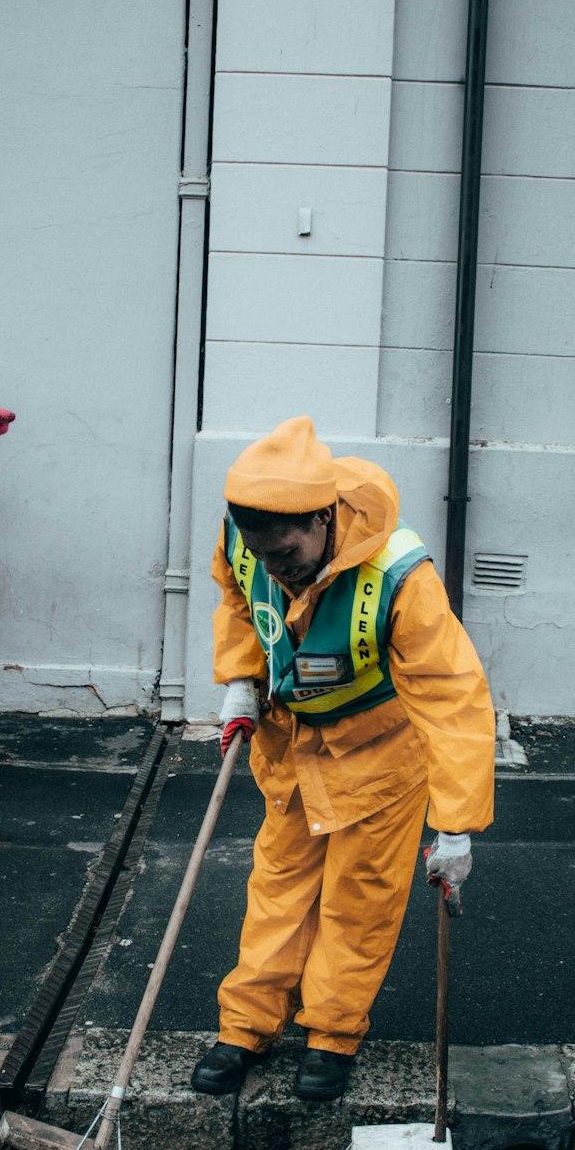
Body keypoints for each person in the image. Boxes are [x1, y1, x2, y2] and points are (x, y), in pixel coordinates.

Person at [190, 416, 495, 1102]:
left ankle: (331, 1036)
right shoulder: (249, 539)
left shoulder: (400, 574)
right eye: (262, 554)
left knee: (360, 902)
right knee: (277, 889)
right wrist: (242, 679)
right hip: (293, 747)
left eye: (287, 557)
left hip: (380, 757)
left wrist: (455, 822)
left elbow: (452, 696)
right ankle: (245, 1027)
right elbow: (238, 603)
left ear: (324, 519)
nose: (276, 568)